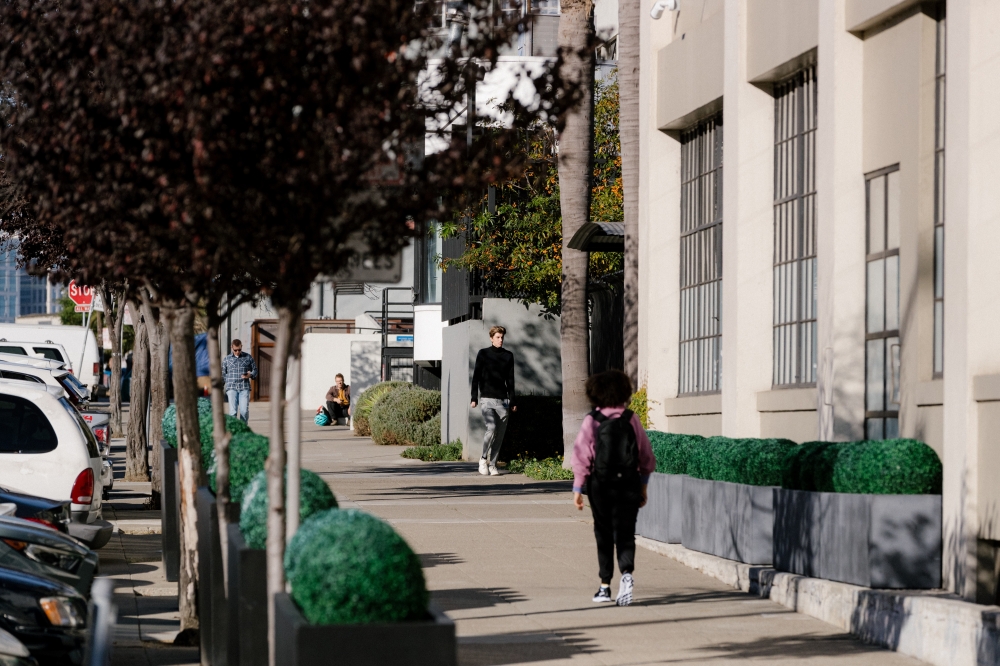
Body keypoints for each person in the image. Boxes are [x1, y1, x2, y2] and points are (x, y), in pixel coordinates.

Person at [570, 369, 655, 607]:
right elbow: (646, 457)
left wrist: (578, 488)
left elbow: (581, 457)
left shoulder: (592, 420)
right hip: (629, 481)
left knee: (604, 532)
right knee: (626, 532)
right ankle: (627, 574)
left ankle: (604, 586)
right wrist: (643, 487)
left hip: (601, 484)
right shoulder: (631, 418)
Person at [470, 325, 517, 477]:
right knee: (491, 427)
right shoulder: (483, 354)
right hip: (487, 399)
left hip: (503, 401)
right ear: (491, 338)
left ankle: (493, 464)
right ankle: (483, 459)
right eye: (497, 337)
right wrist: (474, 397)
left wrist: (513, 401)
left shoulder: (508, 356)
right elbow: (476, 377)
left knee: (500, 435)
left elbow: (510, 380)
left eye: (502, 337)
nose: (500, 340)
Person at [222, 339, 257, 423]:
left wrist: (250, 375)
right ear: (231, 348)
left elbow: (255, 370)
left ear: (241, 347)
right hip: (231, 388)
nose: (237, 351)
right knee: (232, 412)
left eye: (239, 349)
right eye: (235, 350)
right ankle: (233, 433)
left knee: (244, 411)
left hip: (244, 388)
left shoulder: (248, 357)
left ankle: (243, 431)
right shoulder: (226, 359)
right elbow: (223, 374)